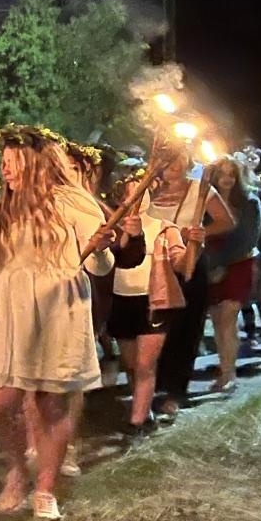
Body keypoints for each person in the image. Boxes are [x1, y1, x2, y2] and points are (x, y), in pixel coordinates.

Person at [0, 126, 116, 521]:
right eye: (3, 164)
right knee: (1, 403)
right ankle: (17, 471)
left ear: (35, 162)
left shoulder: (72, 201)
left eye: (11, 163)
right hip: (11, 306)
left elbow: (98, 263)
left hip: (59, 304)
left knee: (51, 401)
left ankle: (45, 488)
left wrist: (102, 250)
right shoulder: (8, 204)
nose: (5, 172)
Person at [147, 144, 234, 417]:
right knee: (152, 329)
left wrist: (197, 233)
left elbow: (226, 221)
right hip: (152, 267)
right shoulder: (147, 189)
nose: (174, 164)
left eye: (180, 158)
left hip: (189, 265)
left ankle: (174, 390)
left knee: (184, 327)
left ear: (188, 160)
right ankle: (150, 386)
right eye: (168, 159)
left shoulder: (200, 189)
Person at [107, 170, 179, 436]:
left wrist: (186, 249)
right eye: (134, 192)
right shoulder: (112, 227)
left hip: (152, 301)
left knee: (146, 364)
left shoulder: (162, 226)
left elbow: (180, 258)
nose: (141, 197)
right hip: (122, 300)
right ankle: (144, 408)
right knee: (131, 363)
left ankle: (135, 423)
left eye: (145, 190)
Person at [204, 156, 261, 394]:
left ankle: (229, 373)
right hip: (211, 265)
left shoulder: (250, 202)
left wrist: (222, 265)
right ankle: (225, 367)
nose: (226, 179)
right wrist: (210, 267)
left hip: (239, 263)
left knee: (228, 317)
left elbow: (247, 239)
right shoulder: (206, 201)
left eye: (231, 174)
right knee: (217, 320)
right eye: (221, 174)